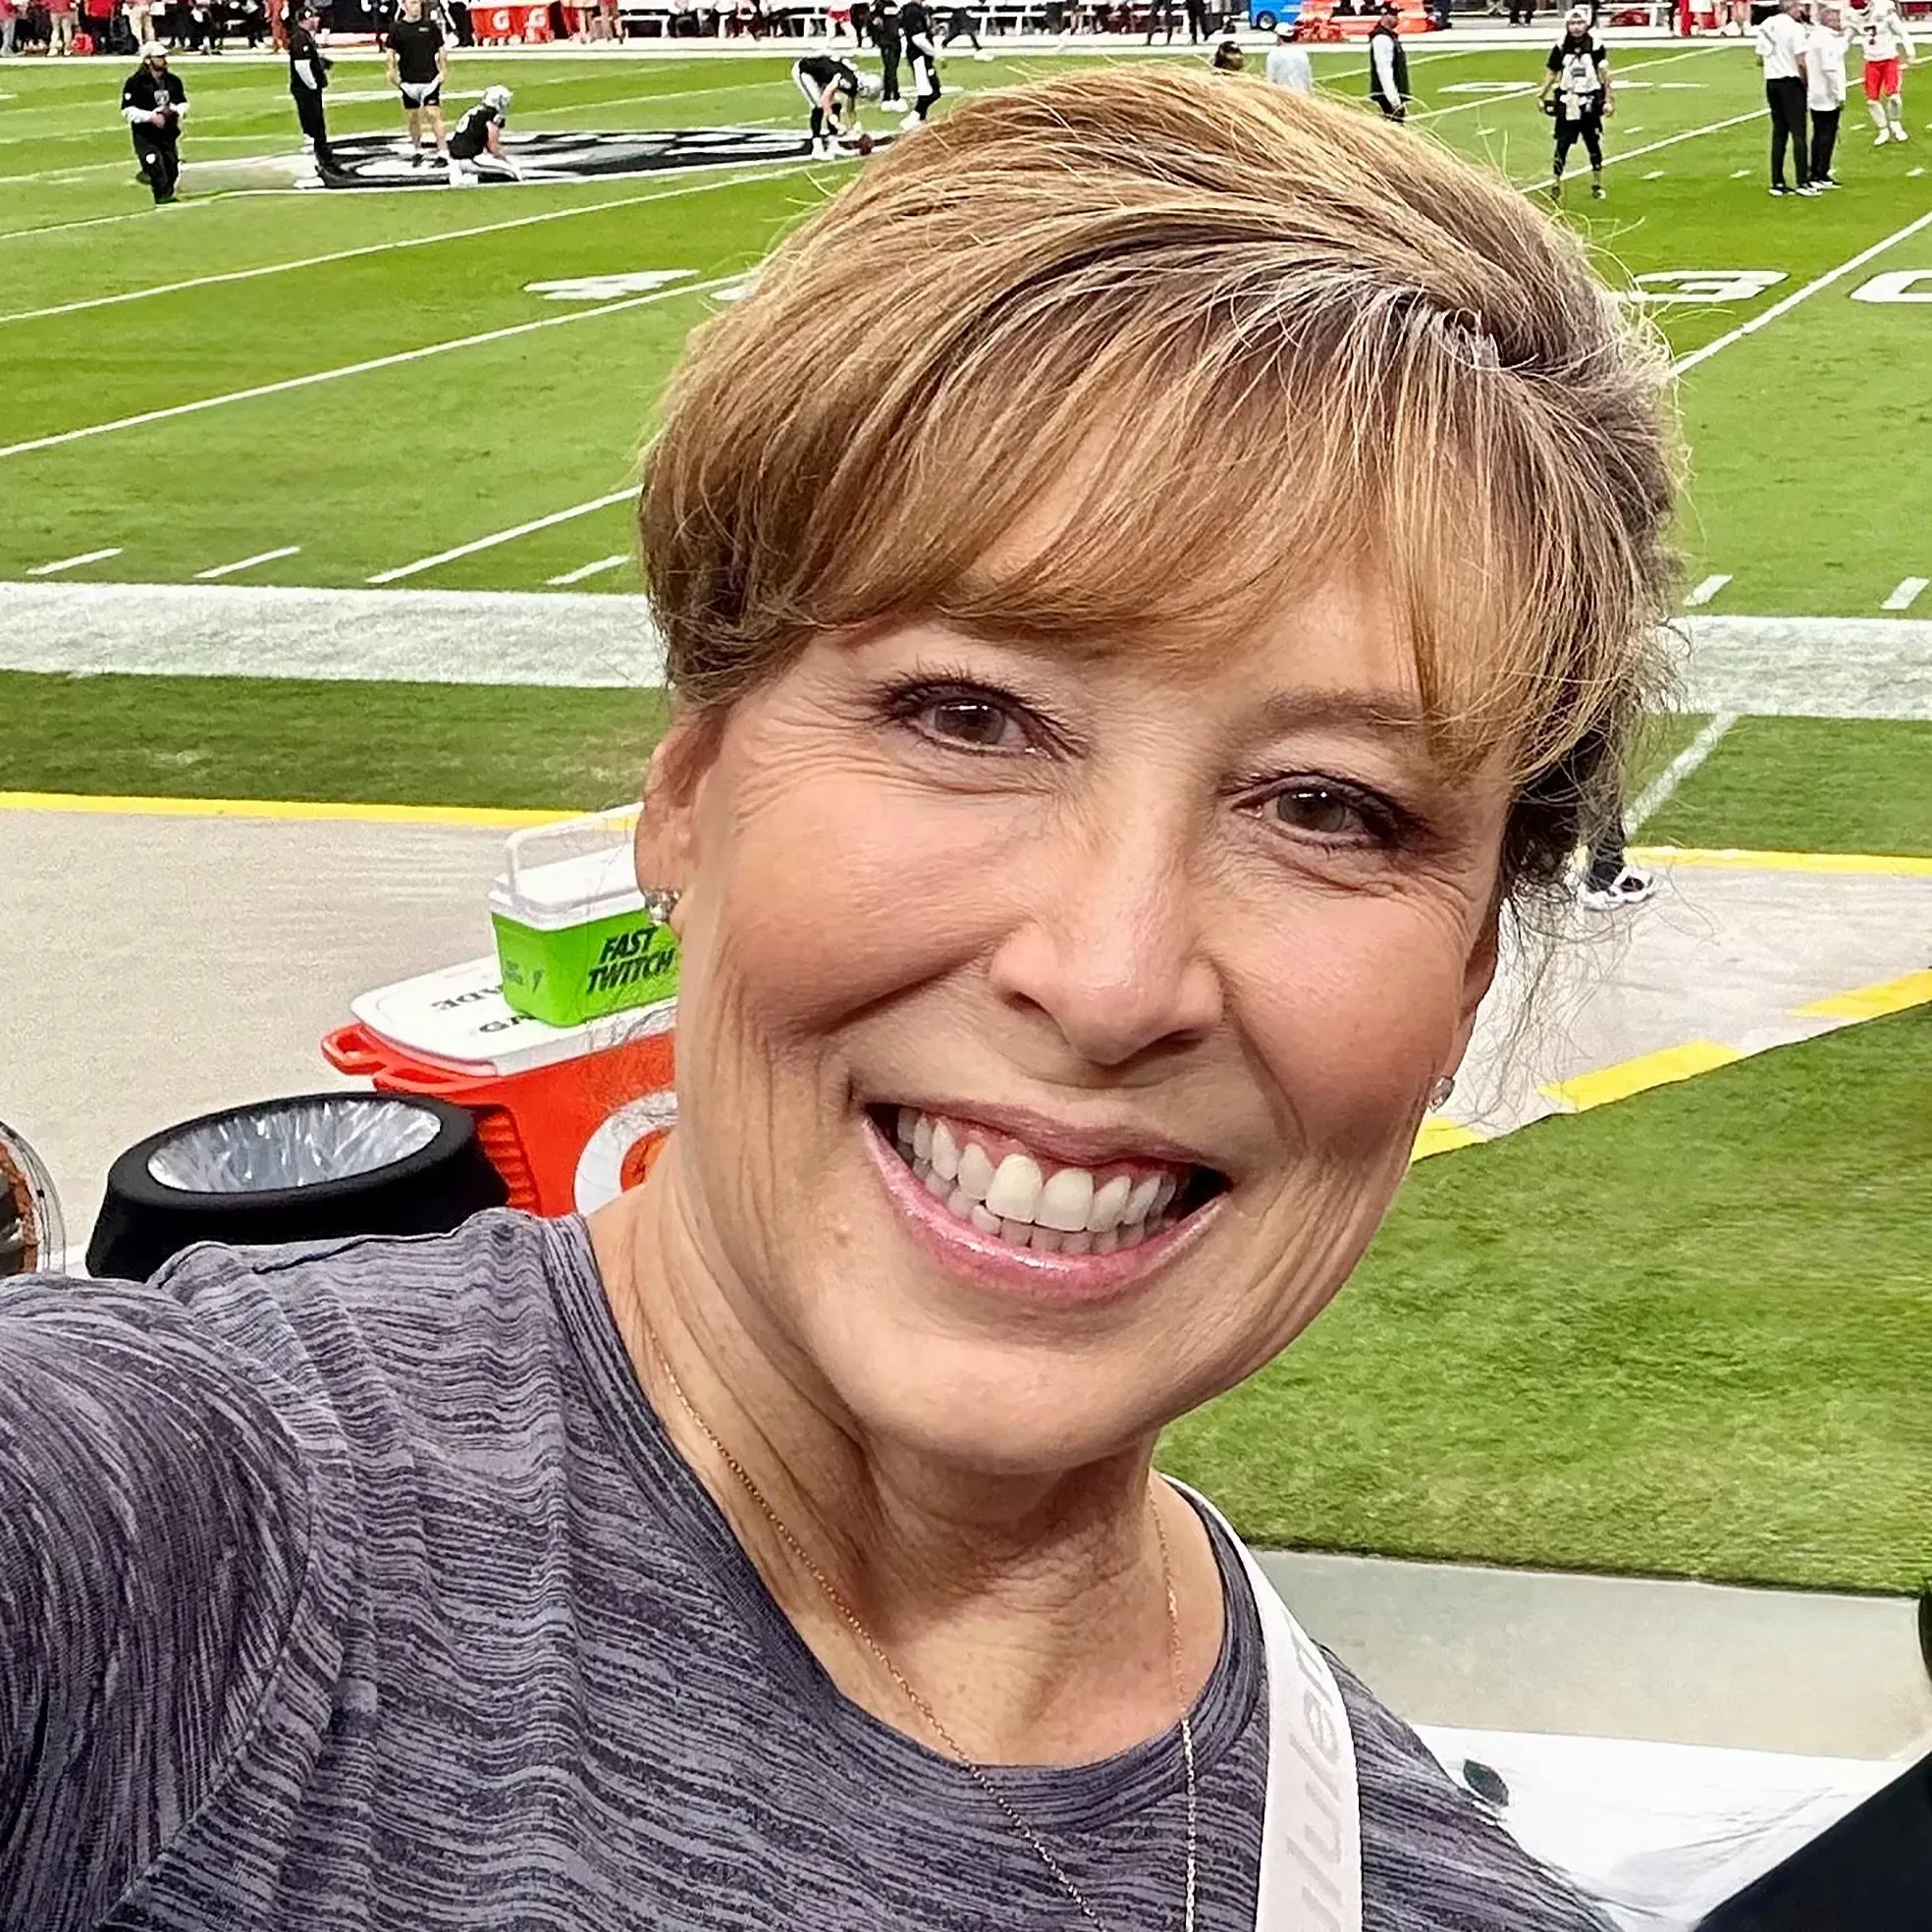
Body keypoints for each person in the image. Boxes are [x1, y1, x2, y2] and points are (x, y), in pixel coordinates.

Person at [0, 64, 1675, 1932]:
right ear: (689, 790)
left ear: (1463, 968)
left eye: (1328, 809)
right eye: (967, 715)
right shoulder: (163, 1537)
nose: (1109, 973)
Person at [1540, 4, 1612, 199]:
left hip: (1589, 98)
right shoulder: (1561, 45)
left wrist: (1608, 99)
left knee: (1593, 143)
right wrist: (1542, 94)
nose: (1576, 27)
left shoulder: (1595, 44)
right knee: (1562, 143)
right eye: (1572, 23)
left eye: (1580, 22)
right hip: (1568, 98)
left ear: (1586, 24)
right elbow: (1553, 72)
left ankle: (1597, 183)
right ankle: (1556, 182)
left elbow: (1604, 73)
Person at [1755, 0, 1816, 191]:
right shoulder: (1795, 29)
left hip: (1772, 82)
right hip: (1790, 81)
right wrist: (1806, 83)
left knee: (1779, 132)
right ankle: (1802, 181)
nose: (1802, 10)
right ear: (1791, 7)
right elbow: (1800, 60)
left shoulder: (1766, 25)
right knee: (1799, 133)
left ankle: (1777, 181)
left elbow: (1759, 58)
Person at [120, 35, 187, 198]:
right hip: (146, 135)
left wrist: (175, 110)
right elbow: (128, 110)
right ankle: (161, 195)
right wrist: (151, 117)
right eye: (159, 57)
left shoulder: (173, 81)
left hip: (167, 133)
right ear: (148, 60)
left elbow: (182, 102)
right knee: (155, 163)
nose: (164, 60)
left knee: (172, 168)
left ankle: (161, 186)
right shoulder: (135, 83)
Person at [387, 0, 451, 162]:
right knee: (412, 117)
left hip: (429, 79)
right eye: (413, 3)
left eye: (418, 3)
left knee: (433, 113)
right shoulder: (397, 28)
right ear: (404, 5)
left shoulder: (430, 26)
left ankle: (443, 150)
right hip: (408, 80)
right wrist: (391, 71)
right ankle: (417, 149)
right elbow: (390, 52)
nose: (417, 7)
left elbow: (441, 49)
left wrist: (443, 70)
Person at [792, 47, 877, 154]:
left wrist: (855, 124)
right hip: (805, 71)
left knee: (836, 104)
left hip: (822, 75)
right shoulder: (848, 81)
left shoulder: (854, 81)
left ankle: (832, 142)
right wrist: (833, 119)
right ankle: (817, 146)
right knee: (818, 106)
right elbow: (824, 99)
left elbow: (850, 106)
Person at [1852, 0, 1914, 140]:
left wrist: (1910, 52)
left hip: (1889, 59)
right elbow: (1847, 37)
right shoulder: (1853, 15)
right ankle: (1883, 130)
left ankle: (1895, 123)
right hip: (1871, 62)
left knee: (1894, 98)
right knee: (1872, 101)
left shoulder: (1884, 9)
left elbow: (1902, 32)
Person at [287, 0, 333, 171]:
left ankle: (322, 158)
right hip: (305, 90)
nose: (317, 20)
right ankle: (318, 162)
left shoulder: (304, 36)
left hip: (307, 88)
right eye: (313, 17)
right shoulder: (300, 38)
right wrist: (312, 85)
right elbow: (301, 65)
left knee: (316, 125)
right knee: (313, 125)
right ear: (306, 19)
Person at [1805, 0, 1850, 179]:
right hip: (1826, 93)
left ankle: (1815, 170)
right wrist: (1839, 93)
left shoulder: (1816, 37)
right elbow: (1830, 68)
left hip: (1815, 91)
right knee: (1826, 134)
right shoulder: (1826, 40)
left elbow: (1839, 52)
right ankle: (1820, 172)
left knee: (1818, 133)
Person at [446, 80, 511, 178]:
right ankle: (472, 178)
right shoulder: (490, 115)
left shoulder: (476, 111)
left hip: (454, 159)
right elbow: (494, 148)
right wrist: (507, 161)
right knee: (512, 173)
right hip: (470, 160)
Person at [898, 0, 938, 123]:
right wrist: (934, 52)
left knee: (932, 91)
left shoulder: (918, 9)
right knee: (928, 91)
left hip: (922, 56)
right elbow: (917, 37)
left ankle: (921, 118)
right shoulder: (912, 11)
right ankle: (912, 119)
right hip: (918, 56)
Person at [1368, 1, 1408, 117]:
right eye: (1394, 15)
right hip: (1387, 95)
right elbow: (1384, 69)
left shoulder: (1389, 36)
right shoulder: (1382, 38)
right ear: (1386, 16)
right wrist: (1393, 99)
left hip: (1391, 93)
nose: (1397, 19)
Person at [870, 0, 902, 107]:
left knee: (891, 69)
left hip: (895, 41)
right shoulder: (878, 5)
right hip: (886, 41)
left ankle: (888, 95)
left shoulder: (893, 5)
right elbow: (873, 22)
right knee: (890, 68)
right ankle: (894, 96)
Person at [1263, 20, 1312, 88]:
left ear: (1279, 37)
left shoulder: (1274, 54)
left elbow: (1271, 78)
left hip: (1284, 94)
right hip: (1301, 94)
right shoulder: (1301, 53)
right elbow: (1307, 78)